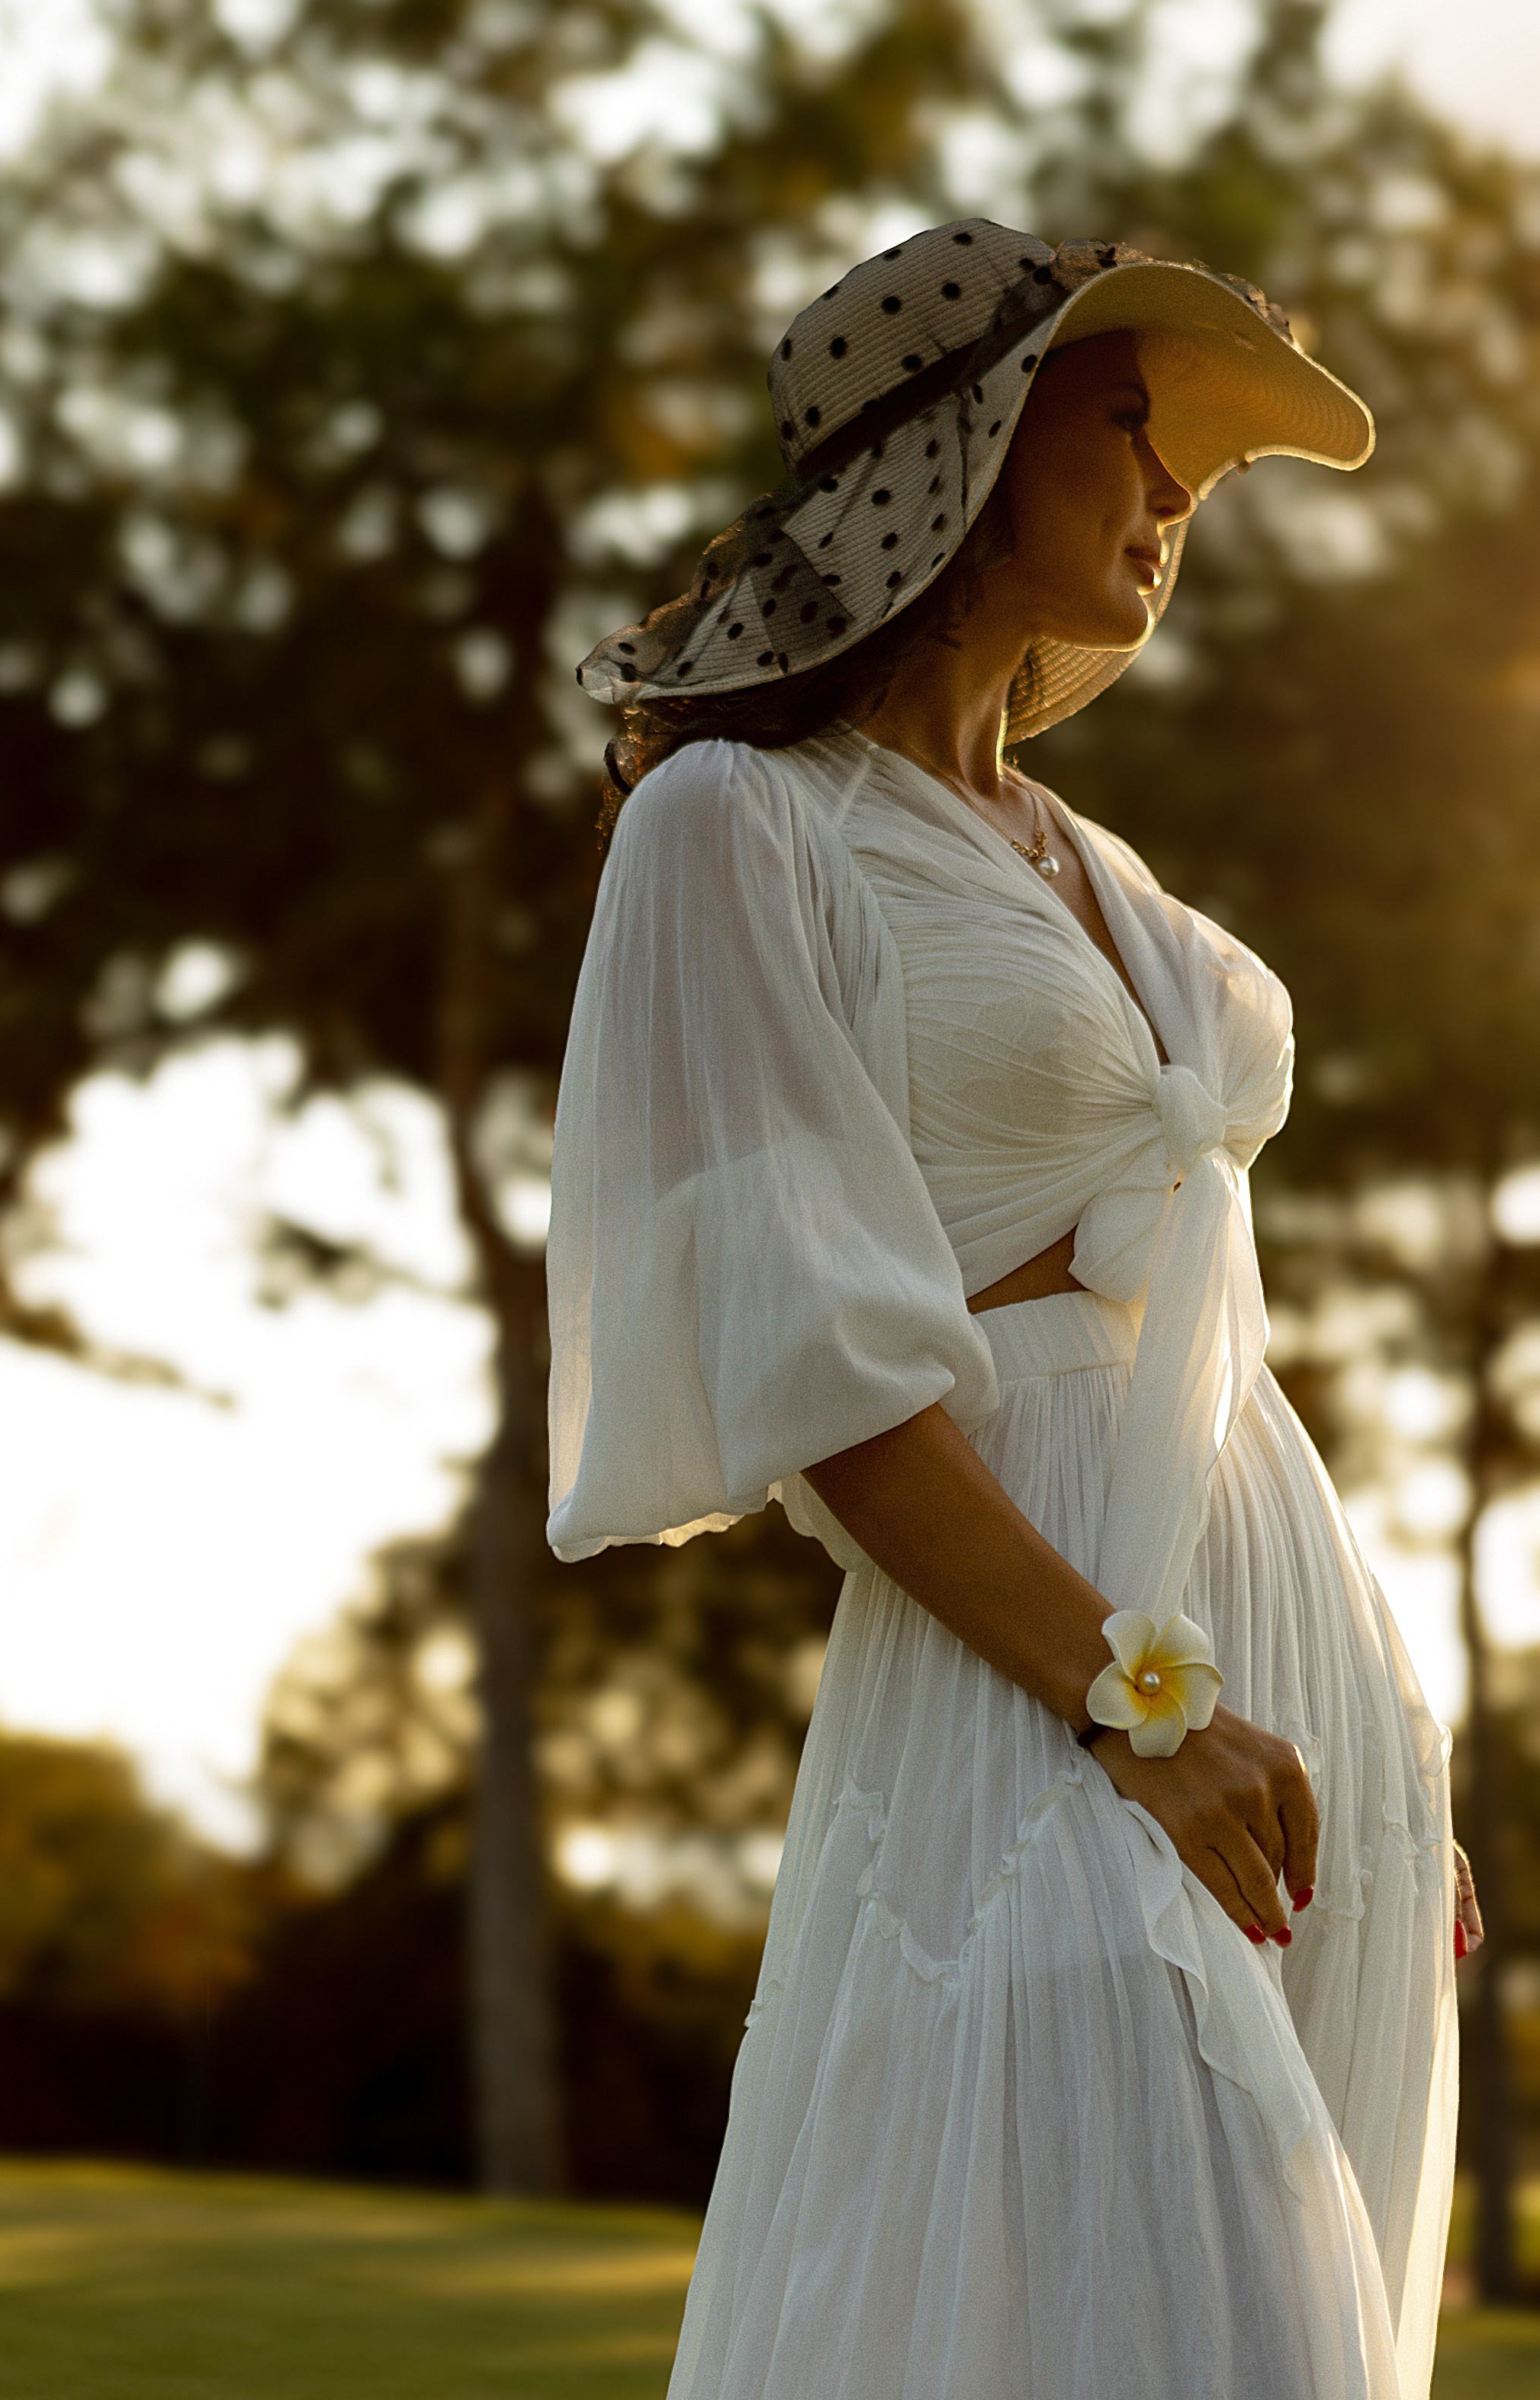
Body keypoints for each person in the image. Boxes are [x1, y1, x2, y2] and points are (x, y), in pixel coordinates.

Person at [548, 222, 1481, 2400]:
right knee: (1186, 2319)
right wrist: (1138, 1707)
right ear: (958, 449)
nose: (1178, 497)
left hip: (1277, 1677)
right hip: (1059, 1692)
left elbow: (1202, 1333)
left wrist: (1379, 1725)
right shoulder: (740, 831)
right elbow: (825, 1376)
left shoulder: (1095, 865)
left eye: (1199, 470)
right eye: (1133, 423)